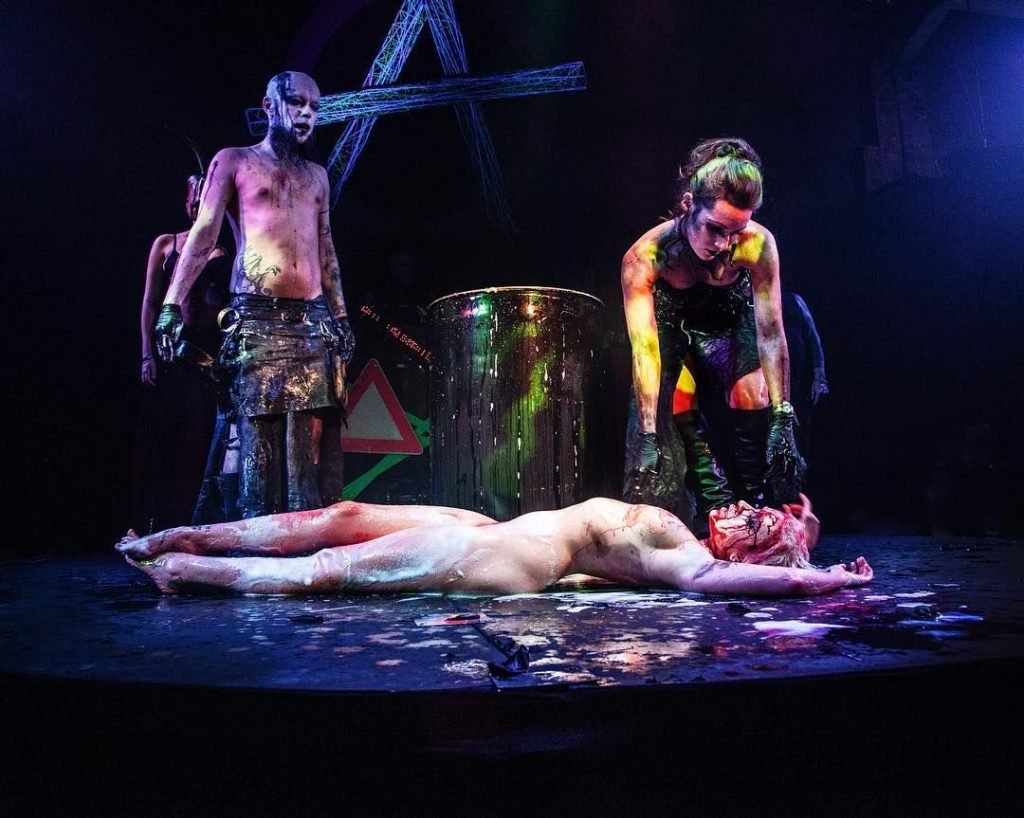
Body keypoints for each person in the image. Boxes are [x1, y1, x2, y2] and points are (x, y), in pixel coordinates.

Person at [154, 71, 356, 519]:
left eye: (315, 107)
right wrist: (171, 304)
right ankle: (254, 550)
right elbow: (203, 234)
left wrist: (341, 316)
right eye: (297, 102)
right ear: (269, 106)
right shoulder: (234, 160)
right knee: (257, 455)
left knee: (306, 464)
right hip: (257, 321)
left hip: (312, 324)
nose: (307, 113)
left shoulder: (317, 177)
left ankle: (302, 551)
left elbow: (326, 249)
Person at [117, 493, 870, 598]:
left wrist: (819, 579)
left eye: (756, 524)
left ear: (746, 555)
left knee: (333, 568)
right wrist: (797, 540)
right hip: (498, 529)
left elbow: (712, 584)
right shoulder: (681, 526)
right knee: (344, 515)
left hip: (517, 556)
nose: (743, 510)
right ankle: (181, 534)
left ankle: (183, 570)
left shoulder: (693, 558)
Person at [621, 137, 805, 526]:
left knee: (753, 394)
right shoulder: (646, 257)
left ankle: (755, 512)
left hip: (730, 318)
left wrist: (783, 415)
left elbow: (771, 332)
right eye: (715, 229)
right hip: (673, 325)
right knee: (675, 402)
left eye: (735, 231)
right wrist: (649, 435)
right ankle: (714, 511)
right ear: (689, 204)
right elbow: (645, 350)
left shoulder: (758, 245)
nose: (723, 244)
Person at [134, 175, 232, 531]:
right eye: (194, 195)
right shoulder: (166, 244)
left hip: (206, 350)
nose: (198, 202)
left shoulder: (221, 251)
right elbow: (150, 302)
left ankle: (192, 519)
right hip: (169, 348)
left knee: (198, 435)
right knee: (164, 435)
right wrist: (146, 353)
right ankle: (153, 518)